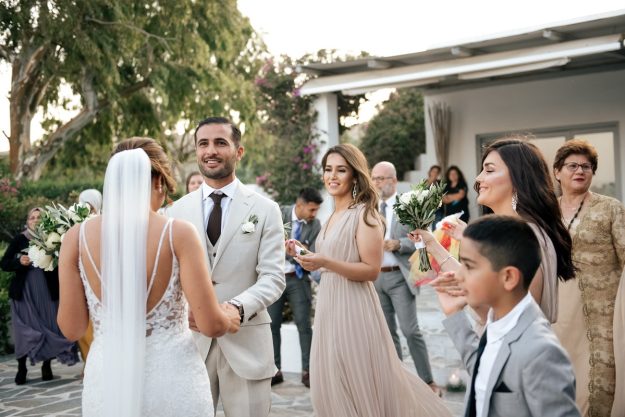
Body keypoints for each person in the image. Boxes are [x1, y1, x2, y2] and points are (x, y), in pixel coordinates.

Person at [58, 137, 241, 417]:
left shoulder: (75, 238)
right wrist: (229, 317)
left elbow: (71, 329)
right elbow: (211, 324)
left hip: (107, 381)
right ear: (157, 182)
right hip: (171, 379)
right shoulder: (179, 233)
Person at [290, 144, 451, 417]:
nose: (332, 176)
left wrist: (325, 261)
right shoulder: (331, 217)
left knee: (357, 378)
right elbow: (328, 260)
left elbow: (370, 270)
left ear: (355, 176)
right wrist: (302, 253)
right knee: (330, 378)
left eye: (341, 170)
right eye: (328, 169)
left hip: (353, 306)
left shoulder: (365, 215)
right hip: (329, 305)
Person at [165, 117, 286, 417]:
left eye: (220, 143)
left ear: (238, 151)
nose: (211, 151)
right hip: (190, 344)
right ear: (196, 151)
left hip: (246, 343)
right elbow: (168, 277)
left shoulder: (265, 210)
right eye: (203, 144)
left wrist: (237, 308)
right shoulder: (175, 211)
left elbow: (273, 277)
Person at [412, 137, 575, 324]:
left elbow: (511, 323)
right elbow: (482, 284)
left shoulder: (521, 238)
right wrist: (432, 245)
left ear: (518, 179)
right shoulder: (517, 232)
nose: (478, 178)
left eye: (489, 170)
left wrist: (456, 313)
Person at [438, 215, 580, 417]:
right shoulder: (498, 319)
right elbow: (484, 369)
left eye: (469, 266)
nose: (459, 275)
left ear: (508, 277)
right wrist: (454, 314)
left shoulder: (541, 352)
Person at [550, 139, 625, 417]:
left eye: (586, 166)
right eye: (572, 166)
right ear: (557, 172)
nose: (580, 171)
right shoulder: (547, 211)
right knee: (561, 377)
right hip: (559, 312)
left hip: (603, 313)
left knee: (601, 382)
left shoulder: (611, 208)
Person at [370, 161, 438, 392]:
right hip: (375, 279)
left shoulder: (408, 206)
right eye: (374, 178)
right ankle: (398, 382)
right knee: (388, 334)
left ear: (394, 180)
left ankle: (427, 381)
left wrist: (399, 243)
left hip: (399, 277)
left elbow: (424, 239)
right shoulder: (368, 208)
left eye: (381, 178)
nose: (377, 183)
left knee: (410, 330)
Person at [0, 208, 78, 385]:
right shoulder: (19, 239)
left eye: (39, 217)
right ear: (27, 221)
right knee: (23, 331)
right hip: (24, 293)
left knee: (48, 325)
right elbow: (4, 263)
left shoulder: (52, 238)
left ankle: (46, 365)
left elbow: (62, 262)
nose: (35, 220)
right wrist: (19, 261)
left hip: (46, 291)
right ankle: (22, 367)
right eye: (32, 218)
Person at [269, 187, 323, 388]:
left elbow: (313, 253)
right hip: (274, 278)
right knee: (271, 324)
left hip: (298, 279)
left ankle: (308, 371)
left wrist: (297, 251)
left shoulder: (315, 225)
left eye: (316, 210)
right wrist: (292, 250)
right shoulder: (278, 213)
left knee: (304, 324)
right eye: (311, 209)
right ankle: (275, 370)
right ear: (299, 205)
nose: (314, 214)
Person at [76, 189, 103, 365]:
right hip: (80, 282)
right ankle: (89, 362)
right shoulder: (73, 225)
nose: (87, 207)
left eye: (90, 204)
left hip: (99, 282)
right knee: (84, 328)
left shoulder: (105, 223)